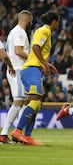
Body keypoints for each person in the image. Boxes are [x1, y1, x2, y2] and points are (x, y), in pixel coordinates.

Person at [10, 11, 60, 146]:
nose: (58, 24)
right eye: (58, 22)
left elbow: (35, 52)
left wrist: (47, 64)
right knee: (35, 103)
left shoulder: (44, 31)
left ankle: (27, 136)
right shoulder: (45, 31)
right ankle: (18, 131)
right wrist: (44, 63)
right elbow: (35, 47)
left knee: (36, 104)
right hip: (32, 69)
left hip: (33, 69)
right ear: (54, 21)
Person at [0, 10, 32, 144]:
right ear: (27, 20)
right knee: (19, 101)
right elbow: (18, 51)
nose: (31, 23)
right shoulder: (20, 32)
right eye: (31, 21)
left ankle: (18, 133)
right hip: (17, 70)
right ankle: (3, 134)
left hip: (18, 69)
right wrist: (33, 58)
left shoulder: (14, 31)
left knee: (24, 101)